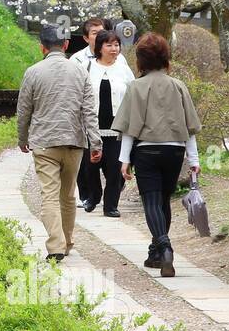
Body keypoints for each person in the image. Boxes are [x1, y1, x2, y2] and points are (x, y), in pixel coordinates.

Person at [113, 32, 201, 278]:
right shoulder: (178, 86)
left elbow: (129, 128)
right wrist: (194, 160)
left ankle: (164, 247)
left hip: (146, 151)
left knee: (151, 201)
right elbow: (190, 127)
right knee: (163, 201)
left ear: (140, 60)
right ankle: (156, 253)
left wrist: (124, 160)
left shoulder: (136, 87)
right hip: (174, 151)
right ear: (166, 59)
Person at [16, 24, 103, 262]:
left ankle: (56, 245)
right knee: (68, 195)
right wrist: (95, 143)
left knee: (50, 195)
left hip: (45, 143)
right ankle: (67, 240)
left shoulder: (33, 72)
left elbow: (24, 110)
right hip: (74, 142)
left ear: (41, 47)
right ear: (65, 45)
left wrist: (22, 138)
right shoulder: (80, 72)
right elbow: (89, 111)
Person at [78, 29, 134, 217]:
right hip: (91, 127)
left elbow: (133, 95)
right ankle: (93, 197)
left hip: (117, 128)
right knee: (90, 167)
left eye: (116, 45)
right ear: (99, 47)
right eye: (109, 45)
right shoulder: (86, 67)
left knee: (115, 169)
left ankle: (111, 205)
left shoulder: (124, 70)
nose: (114, 49)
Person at [71, 17, 106, 206]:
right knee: (84, 158)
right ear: (86, 38)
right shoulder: (76, 59)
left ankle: (107, 195)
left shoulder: (117, 57)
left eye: (102, 32)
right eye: (95, 33)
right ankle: (86, 195)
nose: (99, 36)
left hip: (108, 113)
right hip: (83, 114)